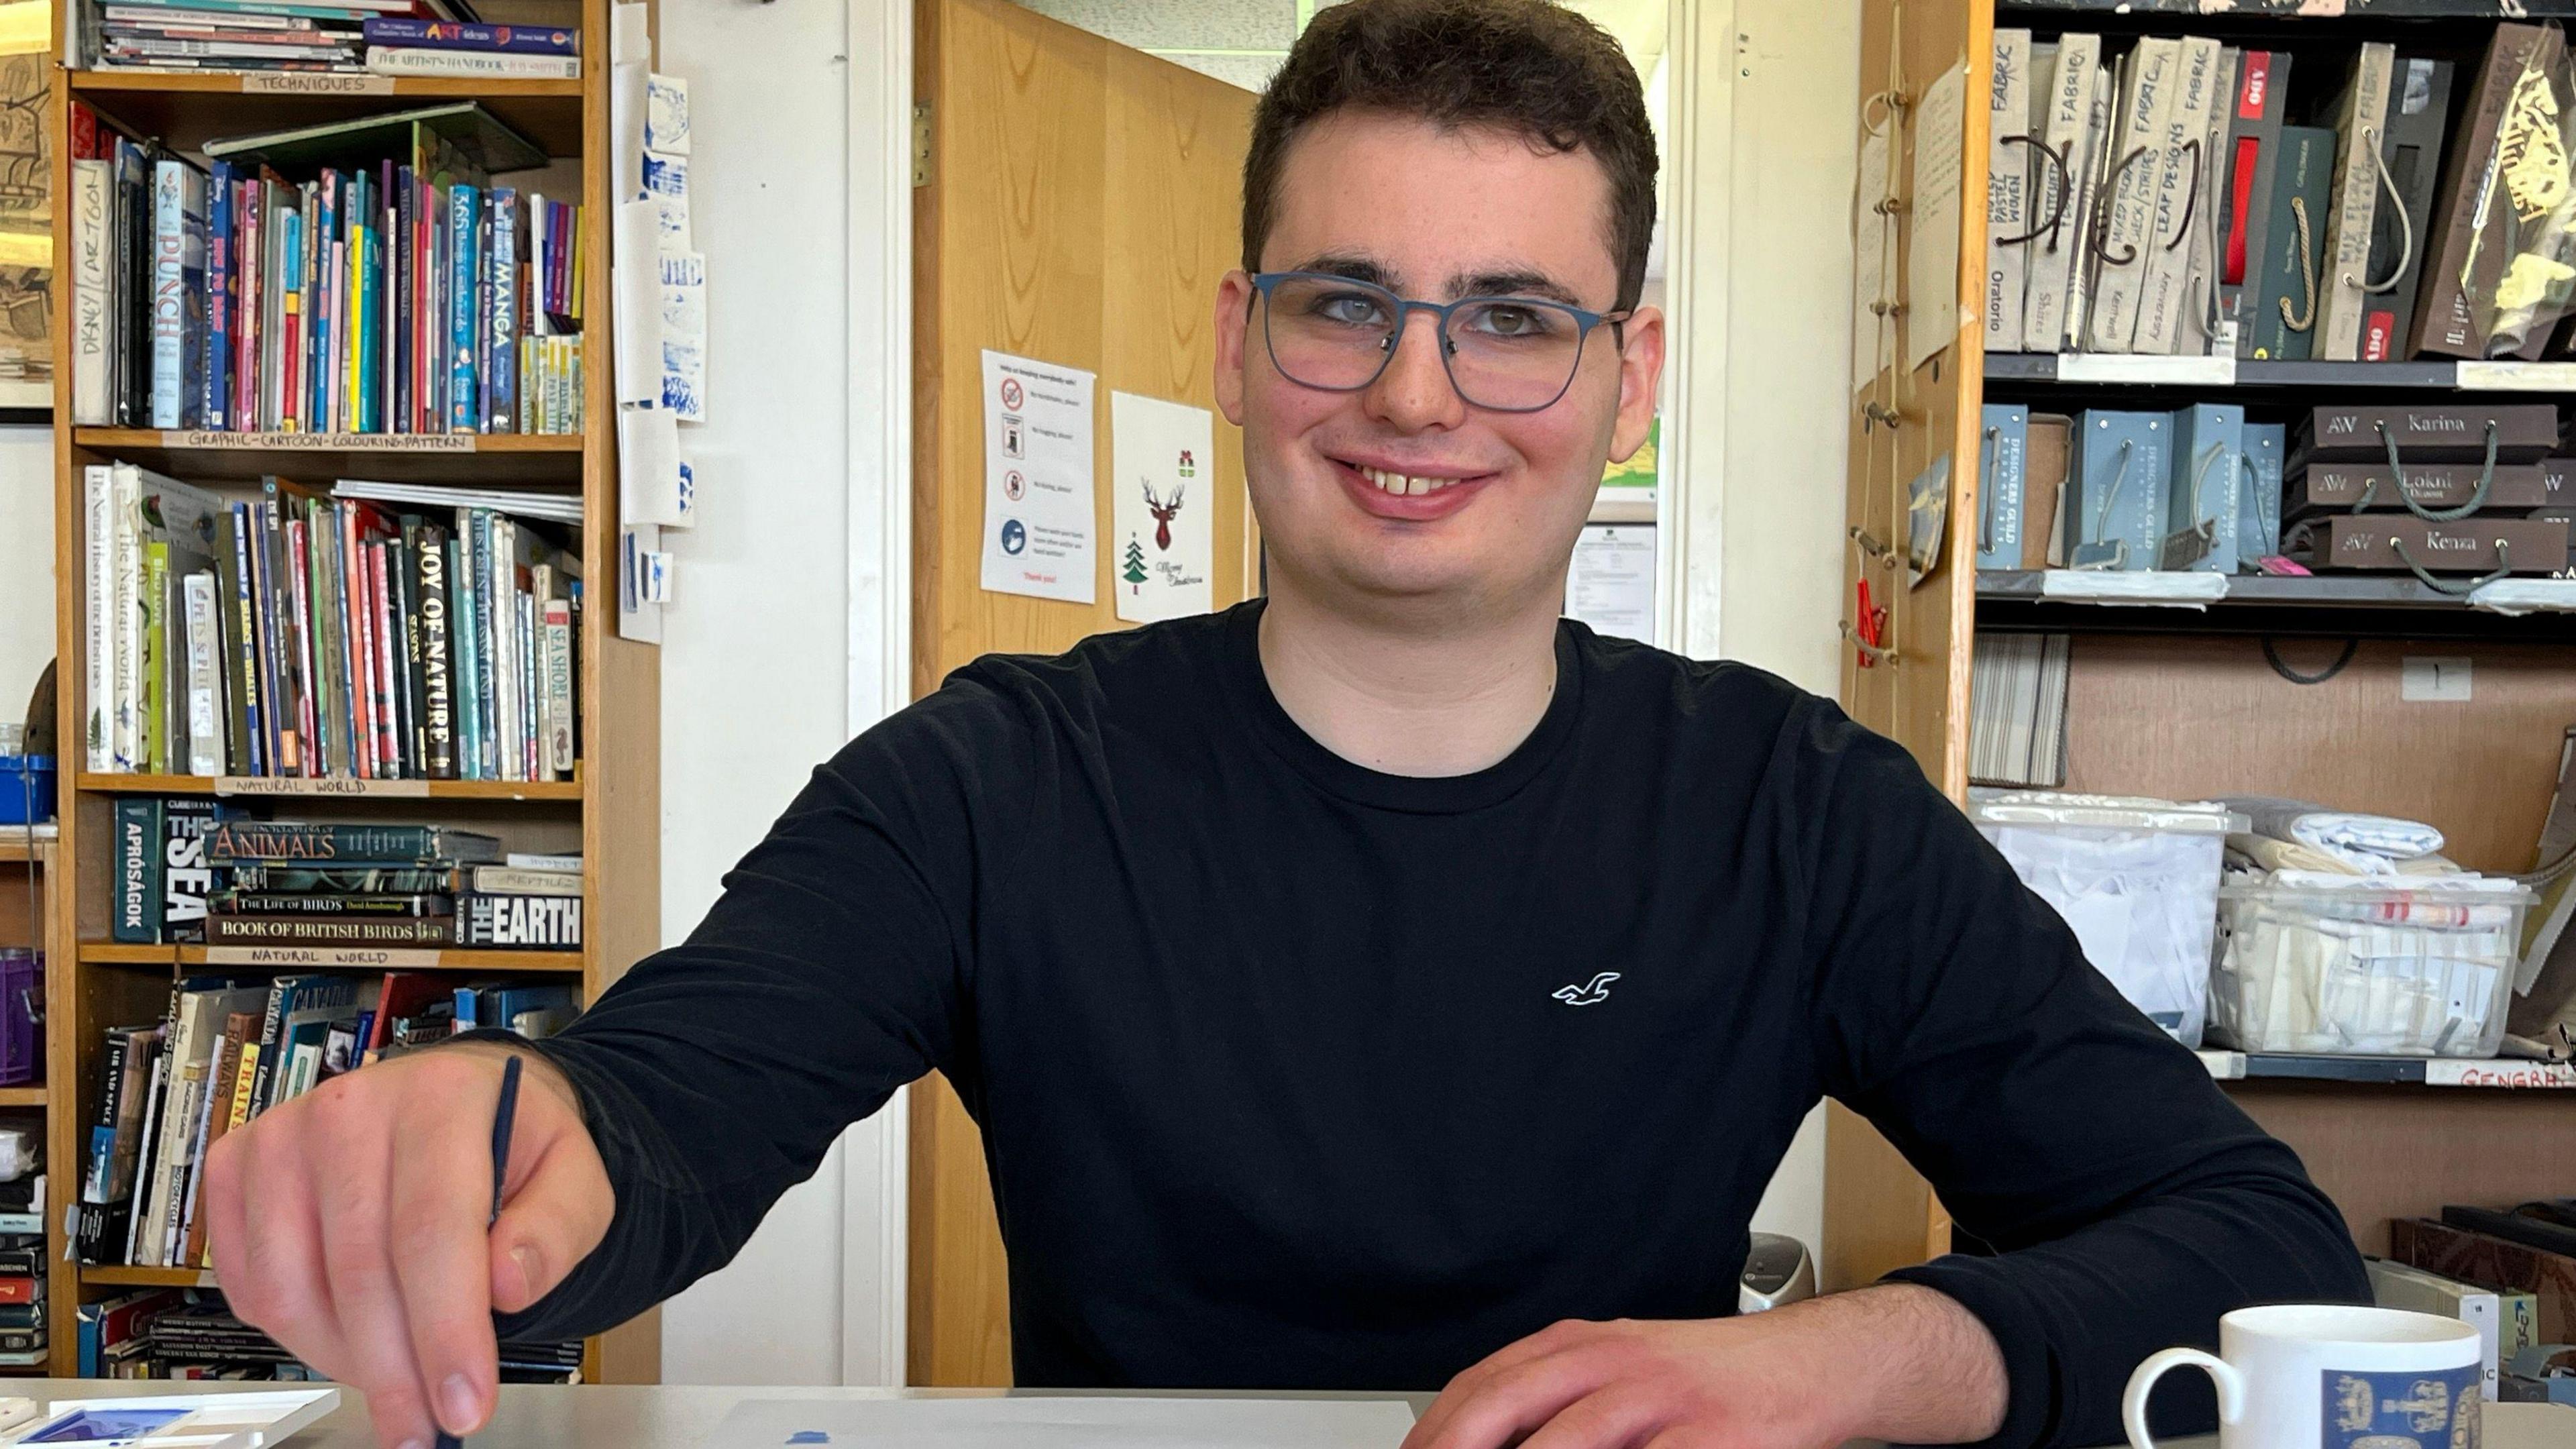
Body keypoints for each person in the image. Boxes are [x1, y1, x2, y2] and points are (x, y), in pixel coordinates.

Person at [203, 3, 2369, 1447]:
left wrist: (1856, 1359)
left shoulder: (1794, 812)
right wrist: (511, 1135)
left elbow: (2251, 1238)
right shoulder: (992, 784)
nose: (1419, 395)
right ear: (1243, 344)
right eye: (1349, 304)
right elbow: (664, 1111)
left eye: (1515, 320)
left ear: (1631, 381)